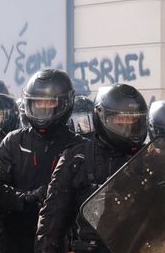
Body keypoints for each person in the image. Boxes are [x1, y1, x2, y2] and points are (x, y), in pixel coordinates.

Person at [35, 83, 148, 253]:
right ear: (101, 117)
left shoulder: (148, 157)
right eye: (120, 119)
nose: (128, 126)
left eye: (133, 120)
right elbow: (52, 218)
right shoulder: (78, 158)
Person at [0, 69, 83, 253]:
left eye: (49, 103)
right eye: (38, 103)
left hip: (60, 240)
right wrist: (27, 198)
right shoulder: (13, 141)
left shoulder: (78, 146)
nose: (43, 108)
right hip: (16, 239)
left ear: (65, 104)